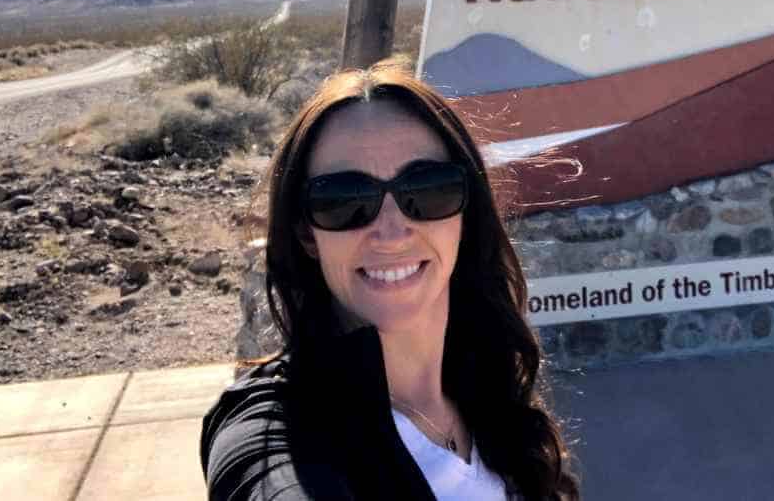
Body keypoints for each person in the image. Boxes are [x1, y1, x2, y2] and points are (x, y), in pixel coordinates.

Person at [200, 62, 580, 500]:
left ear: (465, 213)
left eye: (428, 189)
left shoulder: (486, 393)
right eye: (343, 200)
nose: (392, 230)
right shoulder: (271, 425)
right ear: (306, 232)